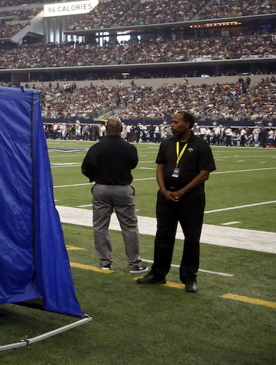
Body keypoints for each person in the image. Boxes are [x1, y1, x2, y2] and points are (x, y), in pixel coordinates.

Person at [137, 111, 216, 293]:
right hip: (166, 198)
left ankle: (189, 277)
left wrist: (182, 191)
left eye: (175, 122)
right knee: (163, 236)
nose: (171, 125)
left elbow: (204, 174)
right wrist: (164, 190)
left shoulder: (201, 145)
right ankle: (158, 274)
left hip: (191, 199)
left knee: (191, 239)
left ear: (187, 124)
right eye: (171, 122)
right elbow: (160, 168)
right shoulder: (167, 143)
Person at [81, 118, 145, 273]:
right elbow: (133, 164)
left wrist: (96, 177)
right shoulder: (129, 147)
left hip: (102, 188)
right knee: (129, 227)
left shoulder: (97, 147)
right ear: (121, 128)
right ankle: (134, 263)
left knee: (100, 226)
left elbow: (84, 168)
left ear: (106, 128)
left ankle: (105, 261)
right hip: (123, 188)